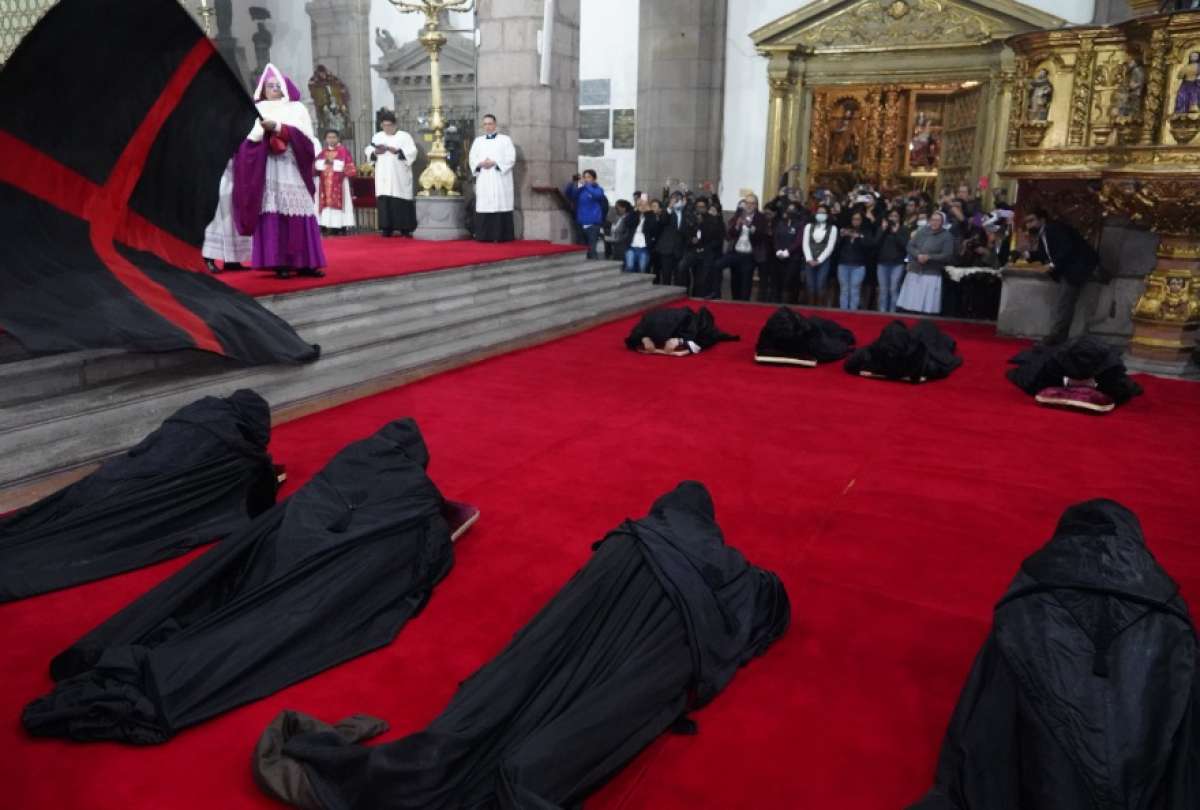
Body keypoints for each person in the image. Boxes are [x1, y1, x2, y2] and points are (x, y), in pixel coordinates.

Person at [233, 63, 326, 279]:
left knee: (300, 212)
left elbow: (307, 141)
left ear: (284, 86)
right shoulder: (257, 109)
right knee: (274, 212)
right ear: (262, 89)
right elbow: (245, 143)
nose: (273, 88)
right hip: (269, 171)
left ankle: (306, 263)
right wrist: (258, 134)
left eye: (277, 85)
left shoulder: (296, 108)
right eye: (269, 86)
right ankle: (279, 262)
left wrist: (279, 128)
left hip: (293, 168)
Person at [1021, 210, 1098, 345]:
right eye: (1027, 222)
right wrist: (1028, 254)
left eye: (1032, 220)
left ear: (1042, 220)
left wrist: (1053, 265)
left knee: (1064, 304)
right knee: (1064, 304)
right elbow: (1045, 253)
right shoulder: (1044, 234)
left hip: (1075, 269)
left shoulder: (1054, 229)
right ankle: (1058, 336)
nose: (1029, 225)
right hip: (1068, 270)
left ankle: (1057, 337)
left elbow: (1066, 248)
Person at [365, 113, 419, 238]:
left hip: (399, 174)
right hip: (383, 173)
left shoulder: (404, 136)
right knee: (384, 199)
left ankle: (404, 229)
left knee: (400, 199)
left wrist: (398, 151)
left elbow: (412, 152)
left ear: (395, 125)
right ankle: (386, 228)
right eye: (384, 126)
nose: (387, 128)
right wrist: (375, 152)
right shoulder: (378, 136)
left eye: (389, 125)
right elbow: (368, 150)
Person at [468, 113, 517, 242]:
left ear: (495, 125)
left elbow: (511, 158)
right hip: (484, 177)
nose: (488, 126)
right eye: (485, 124)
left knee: (499, 205)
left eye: (490, 124)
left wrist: (495, 163)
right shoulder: (478, 141)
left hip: (499, 178)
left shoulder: (505, 140)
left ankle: (500, 236)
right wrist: (480, 163)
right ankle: (483, 236)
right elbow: (472, 158)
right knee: (485, 205)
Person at [896, 211, 954, 314]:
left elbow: (947, 255)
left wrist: (929, 257)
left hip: (931, 272)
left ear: (942, 222)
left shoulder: (947, 236)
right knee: (911, 302)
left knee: (926, 305)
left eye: (938, 220)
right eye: (933, 220)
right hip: (915, 269)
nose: (935, 222)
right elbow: (910, 246)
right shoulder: (922, 231)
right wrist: (917, 255)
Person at [202, 157, 252, 274]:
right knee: (217, 218)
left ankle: (232, 260)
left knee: (232, 217)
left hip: (235, 171)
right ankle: (208, 258)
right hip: (217, 172)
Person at [714, 194, 769, 301]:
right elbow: (729, 235)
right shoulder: (739, 215)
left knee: (745, 286)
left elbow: (761, 236)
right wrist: (737, 225)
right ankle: (717, 296)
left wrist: (751, 227)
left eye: (752, 203)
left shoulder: (761, 218)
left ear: (756, 205)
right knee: (717, 265)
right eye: (747, 203)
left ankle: (744, 304)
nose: (749, 205)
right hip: (735, 252)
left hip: (749, 255)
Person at [678, 196, 725, 298]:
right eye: (698, 207)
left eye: (702, 207)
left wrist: (702, 223)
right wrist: (691, 240)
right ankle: (683, 292)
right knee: (682, 267)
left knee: (701, 279)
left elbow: (716, 238)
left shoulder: (713, 220)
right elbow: (685, 233)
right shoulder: (691, 218)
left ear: (706, 208)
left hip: (707, 251)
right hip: (693, 250)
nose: (700, 209)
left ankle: (697, 296)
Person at [314, 129, 356, 236]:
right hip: (324, 183)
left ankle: (340, 225)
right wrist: (324, 163)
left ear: (338, 138)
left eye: (333, 137)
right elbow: (316, 166)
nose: (331, 139)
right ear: (325, 139)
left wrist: (334, 163)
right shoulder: (323, 152)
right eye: (329, 137)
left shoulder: (343, 151)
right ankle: (325, 224)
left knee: (340, 202)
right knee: (326, 204)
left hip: (339, 183)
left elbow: (349, 167)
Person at [768, 202, 807, 304]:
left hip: (793, 259)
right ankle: (776, 303)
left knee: (789, 282)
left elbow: (799, 241)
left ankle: (789, 304)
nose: (790, 211)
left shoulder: (800, 224)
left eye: (793, 209)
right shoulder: (781, 222)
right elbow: (775, 237)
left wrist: (788, 251)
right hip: (779, 257)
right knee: (777, 282)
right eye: (788, 209)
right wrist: (777, 250)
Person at [836, 210, 876, 310]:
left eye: (858, 219)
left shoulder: (866, 232)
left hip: (859, 265)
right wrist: (841, 236)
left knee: (855, 289)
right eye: (854, 219)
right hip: (843, 264)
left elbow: (869, 245)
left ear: (862, 220)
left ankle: (853, 312)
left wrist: (859, 237)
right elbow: (837, 246)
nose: (855, 221)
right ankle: (843, 311)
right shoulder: (846, 230)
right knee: (844, 289)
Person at [563, 169, 607, 260]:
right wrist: (574, 183)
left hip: (593, 225)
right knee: (581, 249)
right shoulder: (581, 190)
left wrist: (586, 185)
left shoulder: (598, 189)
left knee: (592, 248)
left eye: (588, 177)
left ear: (594, 179)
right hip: (580, 223)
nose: (586, 179)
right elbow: (569, 194)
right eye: (584, 177)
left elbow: (597, 195)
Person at [801, 204, 838, 306]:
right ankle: (810, 307)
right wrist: (809, 259)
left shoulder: (833, 228)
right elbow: (805, 243)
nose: (820, 214)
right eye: (819, 212)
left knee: (820, 285)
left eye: (823, 212)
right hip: (809, 260)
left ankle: (820, 309)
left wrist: (819, 260)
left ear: (827, 215)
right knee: (810, 285)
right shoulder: (808, 226)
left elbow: (830, 247)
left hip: (824, 260)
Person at [876, 209, 909, 313]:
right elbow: (875, 243)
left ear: (899, 218)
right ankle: (882, 312)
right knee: (883, 290)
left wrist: (896, 233)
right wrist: (883, 230)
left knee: (893, 289)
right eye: (891, 216)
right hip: (882, 263)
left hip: (897, 264)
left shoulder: (903, 229)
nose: (893, 219)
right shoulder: (882, 229)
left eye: (895, 216)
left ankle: (892, 312)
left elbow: (905, 246)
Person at [655, 191, 689, 286]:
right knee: (666, 275)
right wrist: (670, 206)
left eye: (679, 200)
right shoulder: (667, 212)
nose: (677, 202)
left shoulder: (686, 213)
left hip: (680, 250)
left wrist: (685, 205)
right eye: (675, 199)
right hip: (666, 249)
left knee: (679, 275)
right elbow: (663, 220)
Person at [620, 197, 658, 273]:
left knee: (642, 269)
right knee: (630, 267)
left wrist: (649, 212)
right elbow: (627, 223)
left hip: (644, 248)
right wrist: (635, 211)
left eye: (645, 204)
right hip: (631, 247)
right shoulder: (634, 214)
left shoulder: (651, 216)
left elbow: (653, 228)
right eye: (640, 204)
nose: (642, 206)